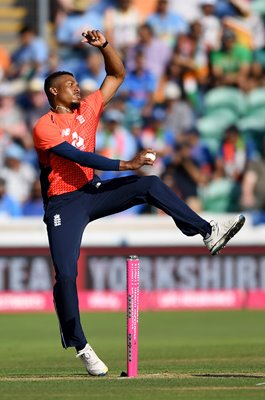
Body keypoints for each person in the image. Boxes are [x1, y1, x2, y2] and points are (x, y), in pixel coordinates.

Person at [33, 29, 245, 377]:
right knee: (66, 275)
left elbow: (116, 74)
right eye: (70, 83)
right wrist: (126, 164)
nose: (78, 87)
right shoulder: (46, 125)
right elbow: (74, 155)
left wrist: (105, 47)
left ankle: (207, 232)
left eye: (76, 82)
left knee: (150, 184)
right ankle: (81, 347)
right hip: (64, 204)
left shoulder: (89, 108)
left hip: (93, 191)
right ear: (54, 92)